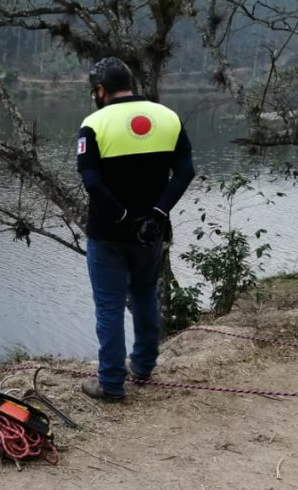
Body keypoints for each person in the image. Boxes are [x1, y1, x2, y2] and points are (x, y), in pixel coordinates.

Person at [76, 57, 195, 401]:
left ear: (100, 90)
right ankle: (142, 367)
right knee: (144, 295)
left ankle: (111, 383)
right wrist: (156, 213)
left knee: (110, 306)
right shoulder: (167, 116)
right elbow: (185, 171)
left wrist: (123, 215)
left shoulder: (94, 124)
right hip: (151, 232)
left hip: (107, 232)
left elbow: (92, 182)